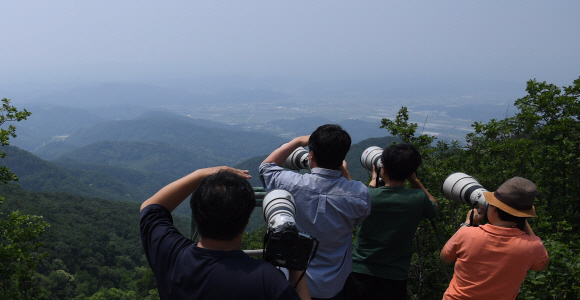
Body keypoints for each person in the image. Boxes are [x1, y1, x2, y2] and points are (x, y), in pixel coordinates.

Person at [140, 166, 309, 300]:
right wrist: (296, 265)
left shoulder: (171, 256)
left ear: (197, 214)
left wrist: (201, 174)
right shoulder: (266, 279)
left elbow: (150, 207)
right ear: (247, 219)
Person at [260, 124, 372, 300]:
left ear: (311, 156)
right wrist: (346, 175)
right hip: (333, 284)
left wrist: (297, 141)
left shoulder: (292, 184)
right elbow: (359, 216)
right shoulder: (358, 193)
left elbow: (266, 168)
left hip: (292, 281)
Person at [345, 143, 438, 300]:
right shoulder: (418, 199)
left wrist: (373, 181)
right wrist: (415, 181)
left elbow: (362, 197)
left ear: (383, 169)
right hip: (395, 276)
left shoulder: (368, 195)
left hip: (361, 271)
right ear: (411, 172)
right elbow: (433, 206)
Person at [440, 176, 550, 300]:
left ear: (495, 209)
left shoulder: (467, 234)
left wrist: (467, 223)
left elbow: (445, 257)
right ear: (524, 215)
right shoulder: (532, 246)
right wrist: (522, 221)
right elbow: (543, 265)